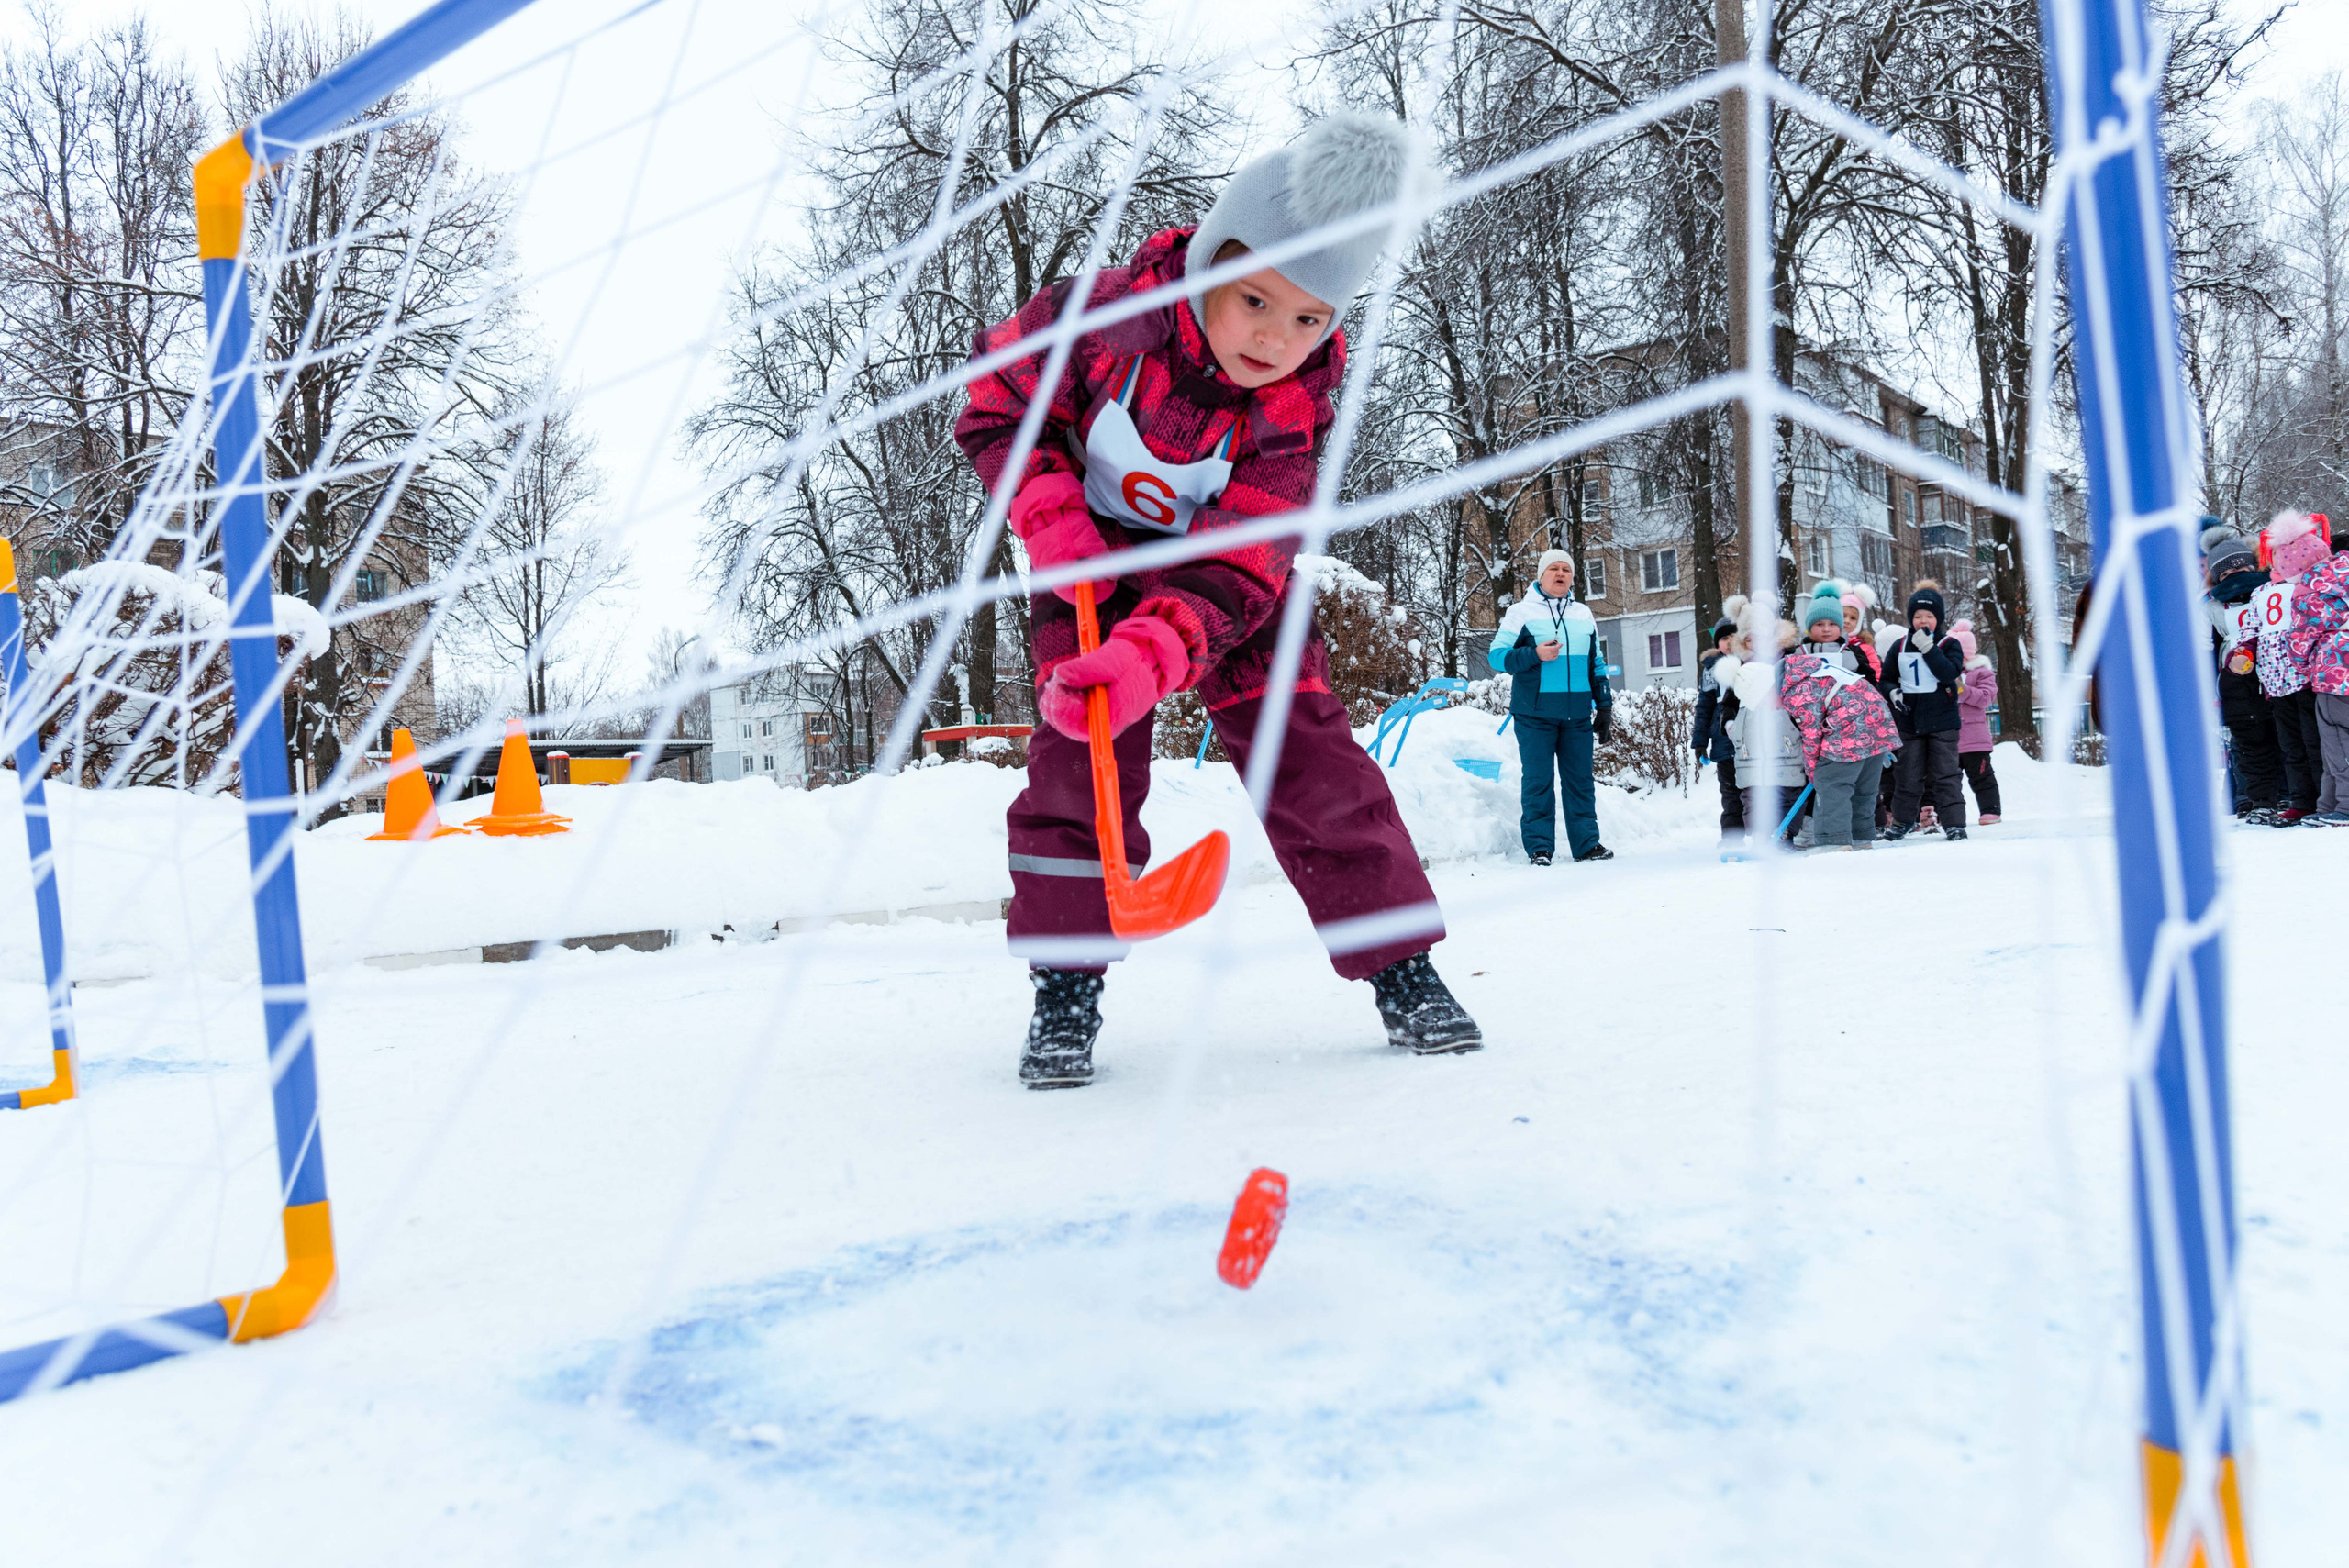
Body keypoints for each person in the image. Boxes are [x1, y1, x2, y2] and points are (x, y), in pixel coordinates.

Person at [955, 115, 1482, 1088]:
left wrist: (1162, 647)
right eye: (1254, 302)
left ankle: (1401, 964)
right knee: (1077, 762)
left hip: (1226, 589)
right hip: (1090, 575)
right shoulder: (1096, 320)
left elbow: (1249, 556)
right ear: (1206, 262)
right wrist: (1050, 510)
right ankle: (1064, 984)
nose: (1276, 340)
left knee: (1311, 752)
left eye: (1308, 320)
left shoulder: (1294, 406)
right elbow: (992, 402)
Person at [1719, 629, 1902, 851]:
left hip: (1851, 722)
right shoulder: (1805, 671)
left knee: (1831, 783)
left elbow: (1812, 734)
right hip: (1878, 718)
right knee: (1863, 786)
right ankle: (1860, 837)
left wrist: (1814, 770)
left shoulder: (1795, 688)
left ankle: (1834, 841)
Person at [1490, 550, 1615, 865]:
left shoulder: (1584, 614)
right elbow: (1496, 656)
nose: (1561, 574)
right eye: (1554, 569)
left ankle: (1587, 844)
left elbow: (1596, 663)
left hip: (1576, 716)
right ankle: (1540, 848)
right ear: (1541, 574)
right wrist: (1534, 654)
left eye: (1566, 570)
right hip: (1535, 715)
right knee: (1538, 782)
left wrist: (1604, 707)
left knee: (1581, 782)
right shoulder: (1521, 612)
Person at [2202, 532, 2285, 823]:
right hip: (2237, 677)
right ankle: (2253, 797)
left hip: (2276, 670)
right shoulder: (2212, 607)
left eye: (2240, 568)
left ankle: (2287, 793)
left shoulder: (2272, 592)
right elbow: (2206, 647)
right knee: (2248, 742)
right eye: (2226, 572)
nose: (2234, 576)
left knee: (2284, 733)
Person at [1881, 582, 1970, 842]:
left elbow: (1948, 673)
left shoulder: (1949, 644)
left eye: (1929, 617)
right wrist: (1892, 692)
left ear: (1938, 619)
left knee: (1946, 775)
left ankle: (1953, 823)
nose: (1923, 621)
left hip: (1943, 722)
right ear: (1910, 618)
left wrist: (1929, 648)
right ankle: (1902, 822)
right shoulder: (1899, 646)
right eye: (1918, 616)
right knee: (1907, 775)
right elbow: (1886, 678)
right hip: (1909, 722)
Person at [2256, 511, 2331, 822]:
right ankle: (2303, 799)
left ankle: (2322, 799)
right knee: (2294, 744)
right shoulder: (2264, 592)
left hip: (2304, 677)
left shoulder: (2312, 589)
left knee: (2313, 742)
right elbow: (2253, 629)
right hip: (2279, 680)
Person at [1716, 596, 1808, 838]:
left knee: (1787, 786)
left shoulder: (1789, 661)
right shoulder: (1740, 668)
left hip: (1786, 739)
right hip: (1752, 743)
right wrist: (1730, 724)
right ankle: (1761, 833)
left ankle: (1786, 830)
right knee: (1753, 789)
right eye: (1750, 638)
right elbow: (1728, 703)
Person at [2286, 517, 2349, 824]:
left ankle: (2345, 805)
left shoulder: (2306, 592)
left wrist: (2301, 666)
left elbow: (2300, 639)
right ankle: (2327, 804)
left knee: (2336, 742)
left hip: (2333, 673)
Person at [1692, 614, 1743, 839]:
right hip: (1723, 743)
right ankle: (1733, 838)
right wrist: (1700, 742)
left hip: (1750, 739)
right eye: (1724, 638)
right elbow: (1704, 709)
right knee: (1730, 793)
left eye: (1734, 636)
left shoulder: (1749, 663)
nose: (1729, 642)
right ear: (1717, 643)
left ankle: (1767, 836)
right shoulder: (1711, 670)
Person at [1952, 619, 2002, 825]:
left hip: (1975, 740)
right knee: (1948, 781)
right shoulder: (1945, 674)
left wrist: (1962, 689)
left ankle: (1991, 810)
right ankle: (1951, 815)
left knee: (1982, 776)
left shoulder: (1982, 673)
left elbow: (1985, 698)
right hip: (1950, 739)